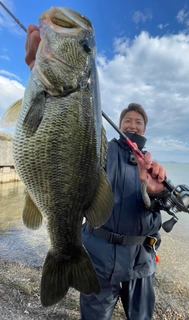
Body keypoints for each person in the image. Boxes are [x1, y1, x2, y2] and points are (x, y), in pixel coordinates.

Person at [25, 25, 167, 320]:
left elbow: (158, 210)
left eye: (139, 122)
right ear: (119, 125)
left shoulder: (153, 166)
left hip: (140, 264)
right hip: (97, 258)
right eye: (127, 120)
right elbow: (69, 159)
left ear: (145, 129)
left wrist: (155, 193)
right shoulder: (102, 149)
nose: (132, 125)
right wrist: (41, 80)